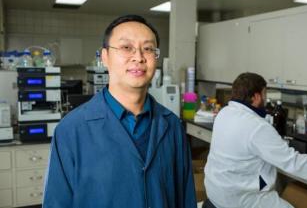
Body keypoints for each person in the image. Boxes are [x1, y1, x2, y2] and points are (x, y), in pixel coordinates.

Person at [43, 15, 197, 208]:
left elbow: (185, 198)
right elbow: (56, 203)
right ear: (105, 57)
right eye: (126, 47)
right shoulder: (72, 130)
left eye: (148, 49)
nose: (138, 57)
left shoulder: (171, 125)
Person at [203, 72, 307, 208]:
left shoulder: (224, 113)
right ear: (256, 97)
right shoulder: (256, 126)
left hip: (216, 193)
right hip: (240, 200)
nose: (265, 99)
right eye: (264, 94)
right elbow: (292, 162)